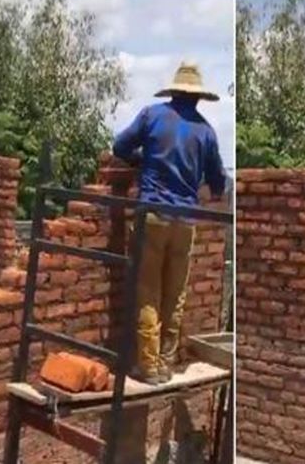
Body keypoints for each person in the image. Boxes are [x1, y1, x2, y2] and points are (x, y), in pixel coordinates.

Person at [113, 61, 227, 385]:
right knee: (174, 294)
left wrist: (141, 160)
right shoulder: (206, 131)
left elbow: (119, 146)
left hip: (152, 215)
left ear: (174, 90)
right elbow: (218, 182)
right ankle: (166, 362)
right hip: (185, 221)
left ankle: (148, 367)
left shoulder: (152, 116)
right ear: (197, 96)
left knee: (148, 291)